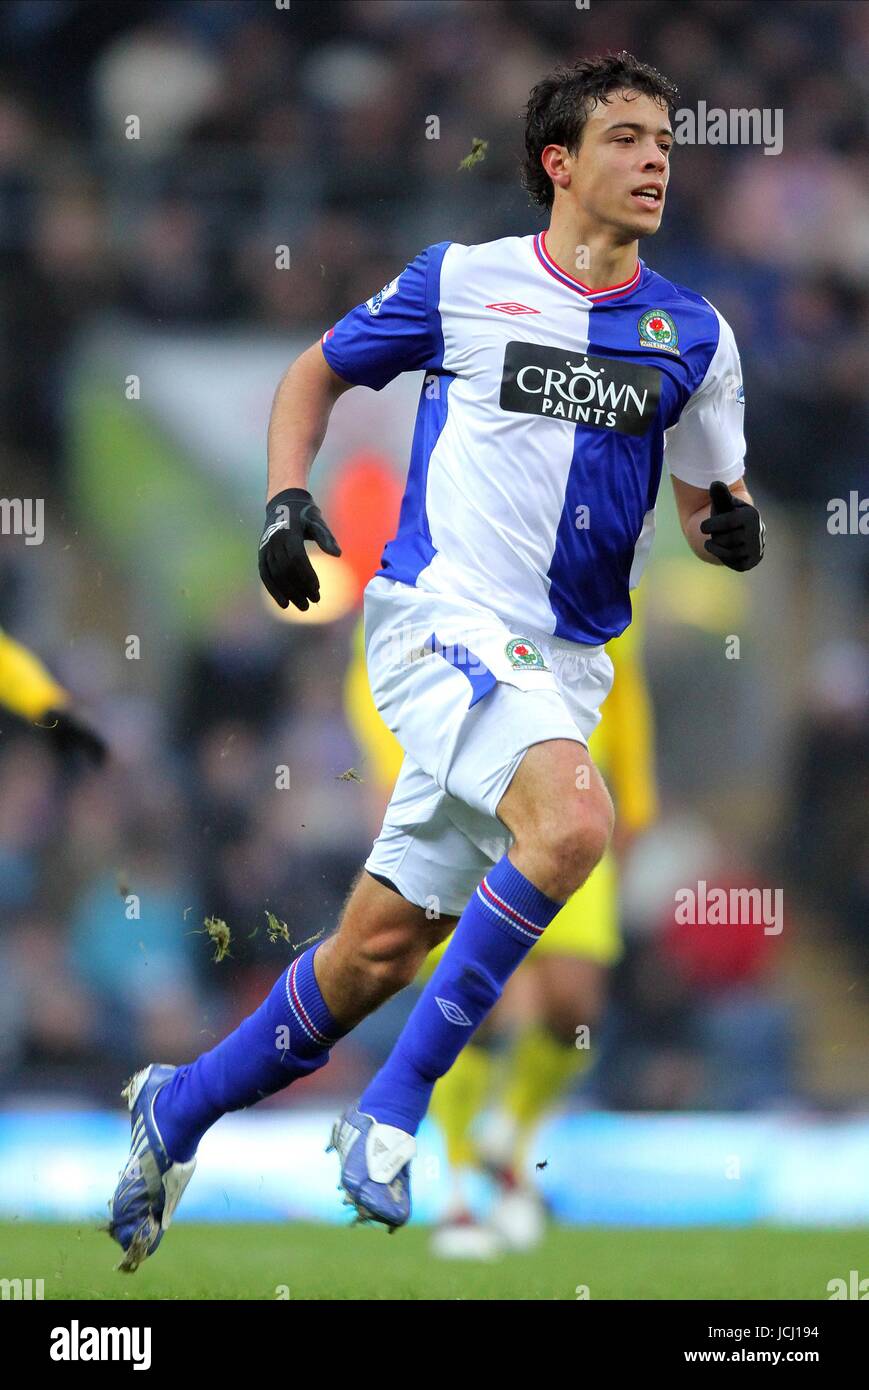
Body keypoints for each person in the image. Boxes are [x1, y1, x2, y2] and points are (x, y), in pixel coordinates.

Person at [108, 52, 764, 1270]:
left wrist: (725, 527)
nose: (657, 156)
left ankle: (177, 1105)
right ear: (558, 165)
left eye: (664, 136)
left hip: (563, 668)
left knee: (369, 957)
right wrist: (284, 496)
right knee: (572, 826)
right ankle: (393, 1112)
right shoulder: (461, 283)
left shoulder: (697, 335)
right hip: (437, 619)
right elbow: (315, 372)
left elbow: (704, 498)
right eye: (625, 137)